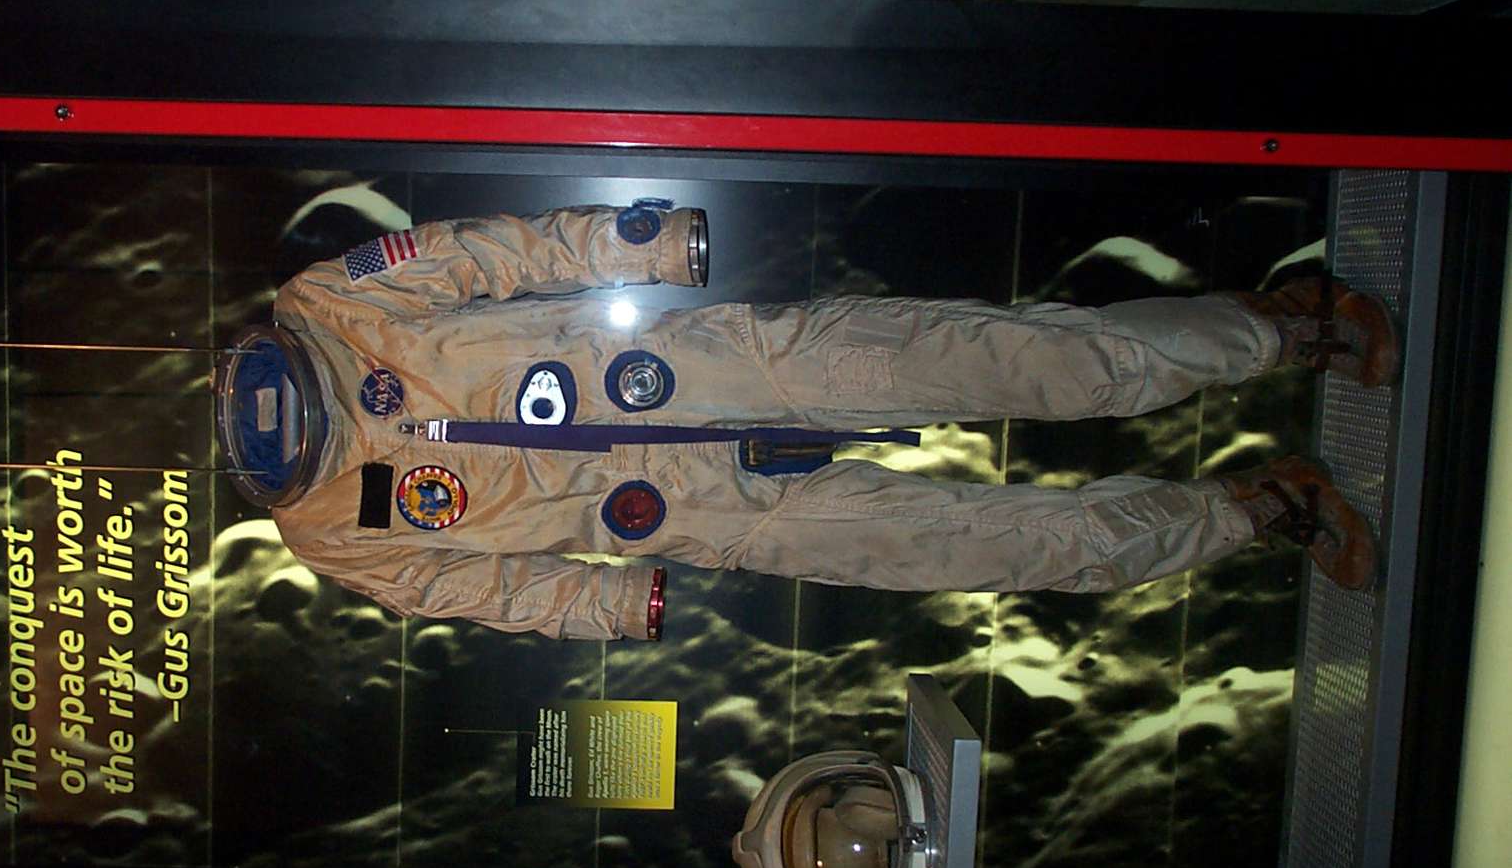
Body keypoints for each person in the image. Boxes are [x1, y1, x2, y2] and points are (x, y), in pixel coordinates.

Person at [226, 201, 1395, 641]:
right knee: (1001, 550)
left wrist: (634, 247)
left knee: (1047, 364)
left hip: (726, 368)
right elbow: (483, 593)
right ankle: (1259, 509)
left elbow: (487, 256)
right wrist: (607, 606)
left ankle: (1288, 329)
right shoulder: (333, 536)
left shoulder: (331, 303)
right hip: (697, 512)